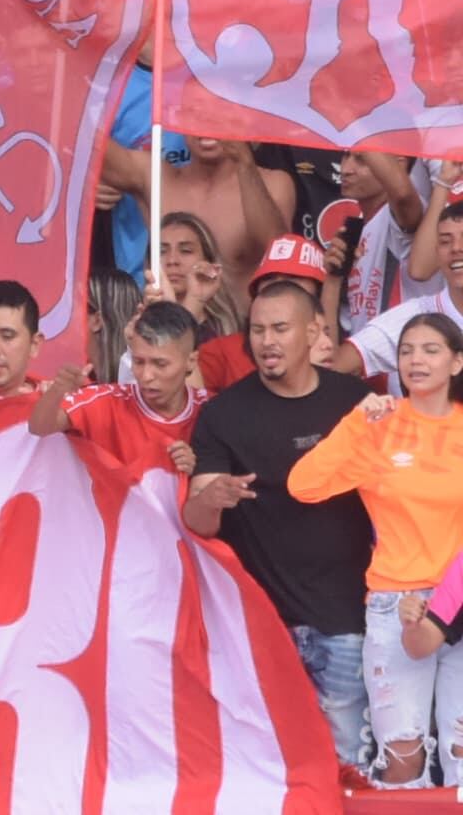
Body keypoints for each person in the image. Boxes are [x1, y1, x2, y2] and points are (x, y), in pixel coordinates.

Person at [193, 252, 382, 773]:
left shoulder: (355, 402)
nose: (267, 341)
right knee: (266, 766)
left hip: (345, 618)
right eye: (257, 330)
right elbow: (199, 521)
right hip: (262, 624)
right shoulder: (222, 413)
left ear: (314, 330)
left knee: (346, 763)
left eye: (280, 328)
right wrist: (211, 497)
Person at [292, 307, 463, 787]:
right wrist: (355, 423)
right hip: (396, 603)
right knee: (402, 757)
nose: (416, 360)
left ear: (456, 362)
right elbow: (304, 485)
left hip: (459, 600)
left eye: (431, 350)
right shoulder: (379, 425)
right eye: (406, 352)